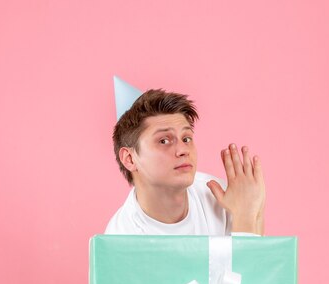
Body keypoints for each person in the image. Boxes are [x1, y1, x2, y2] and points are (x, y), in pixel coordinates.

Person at [105, 89, 265, 236]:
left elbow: (256, 266)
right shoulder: (120, 236)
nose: (183, 150)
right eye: (163, 141)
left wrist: (248, 213)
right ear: (130, 159)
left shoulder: (223, 198)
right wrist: (246, 217)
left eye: (186, 138)